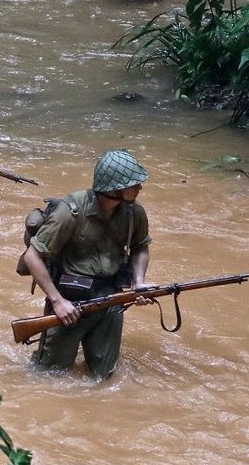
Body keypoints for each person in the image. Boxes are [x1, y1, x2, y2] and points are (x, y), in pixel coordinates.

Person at [19, 149, 154, 379]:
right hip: (69, 304)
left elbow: (141, 246)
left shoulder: (134, 213)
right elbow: (33, 256)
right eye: (134, 184)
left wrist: (139, 283)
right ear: (115, 188)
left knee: (105, 377)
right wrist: (58, 301)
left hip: (111, 300)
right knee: (48, 376)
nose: (139, 188)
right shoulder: (70, 211)